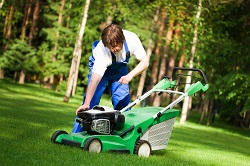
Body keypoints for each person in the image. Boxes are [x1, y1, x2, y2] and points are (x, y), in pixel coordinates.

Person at [72, 24, 149, 133]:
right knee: (90, 104)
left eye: (116, 45)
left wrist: (130, 76)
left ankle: (123, 136)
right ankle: (76, 134)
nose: (114, 49)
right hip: (101, 70)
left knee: (123, 103)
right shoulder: (102, 52)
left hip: (120, 70)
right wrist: (86, 103)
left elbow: (145, 62)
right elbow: (95, 79)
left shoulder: (132, 40)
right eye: (110, 46)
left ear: (122, 39)